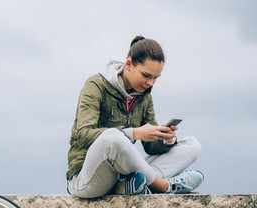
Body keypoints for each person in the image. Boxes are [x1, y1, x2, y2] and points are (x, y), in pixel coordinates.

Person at [66, 35, 204, 198]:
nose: (151, 83)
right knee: (112, 137)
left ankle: (130, 186)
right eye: (146, 75)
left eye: (155, 78)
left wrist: (166, 139)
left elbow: (150, 147)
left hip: (126, 176)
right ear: (129, 64)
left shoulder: (144, 95)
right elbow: (82, 135)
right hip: (87, 179)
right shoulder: (96, 85)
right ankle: (165, 186)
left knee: (192, 145)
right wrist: (133, 133)